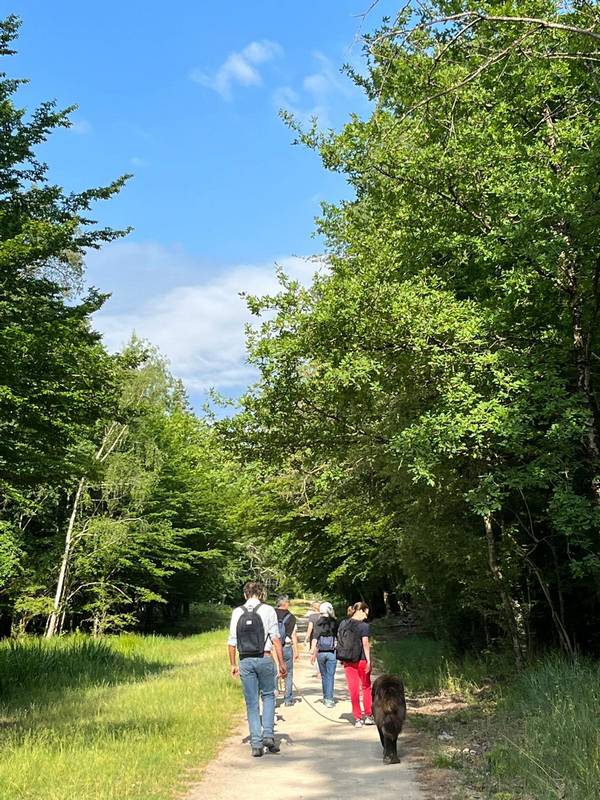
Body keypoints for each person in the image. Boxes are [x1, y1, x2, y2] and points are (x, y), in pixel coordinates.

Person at [227, 581, 287, 757]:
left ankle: (255, 743)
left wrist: (232, 664)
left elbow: (231, 641)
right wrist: (282, 663)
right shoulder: (268, 610)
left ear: (245, 595)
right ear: (260, 594)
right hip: (265, 657)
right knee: (268, 696)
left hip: (245, 660)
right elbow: (276, 638)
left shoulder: (237, 612)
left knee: (252, 702)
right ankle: (268, 734)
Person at [337, 601, 374, 728]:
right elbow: (365, 644)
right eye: (366, 613)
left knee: (353, 690)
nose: (366, 617)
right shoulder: (364, 626)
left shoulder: (343, 623)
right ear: (360, 611)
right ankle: (368, 715)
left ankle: (358, 718)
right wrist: (369, 661)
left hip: (348, 660)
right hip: (362, 660)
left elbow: (340, 640)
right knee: (366, 687)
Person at [310, 601, 338, 708]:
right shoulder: (335, 622)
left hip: (321, 653)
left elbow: (315, 638)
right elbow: (339, 637)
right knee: (330, 676)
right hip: (332, 652)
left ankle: (325, 696)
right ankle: (329, 699)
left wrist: (312, 652)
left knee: (324, 676)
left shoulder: (318, 622)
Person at [275, 594, 299, 706]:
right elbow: (293, 635)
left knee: (274, 673)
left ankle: (273, 699)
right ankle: (288, 699)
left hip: (274, 648)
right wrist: (296, 651)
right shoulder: (291, 617)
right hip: (287, 647)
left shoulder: (271, 614)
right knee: (288, 674)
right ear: (286, 604)